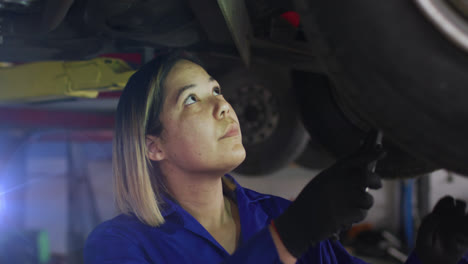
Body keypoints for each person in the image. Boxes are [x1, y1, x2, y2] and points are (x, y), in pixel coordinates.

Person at [84, 50, 468, 263]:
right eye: (191, 99)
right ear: (154, 145)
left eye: (216, 89)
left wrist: (432, 261)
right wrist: (289, 238)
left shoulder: (277, 216)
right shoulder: (120, 244)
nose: (222, 105)